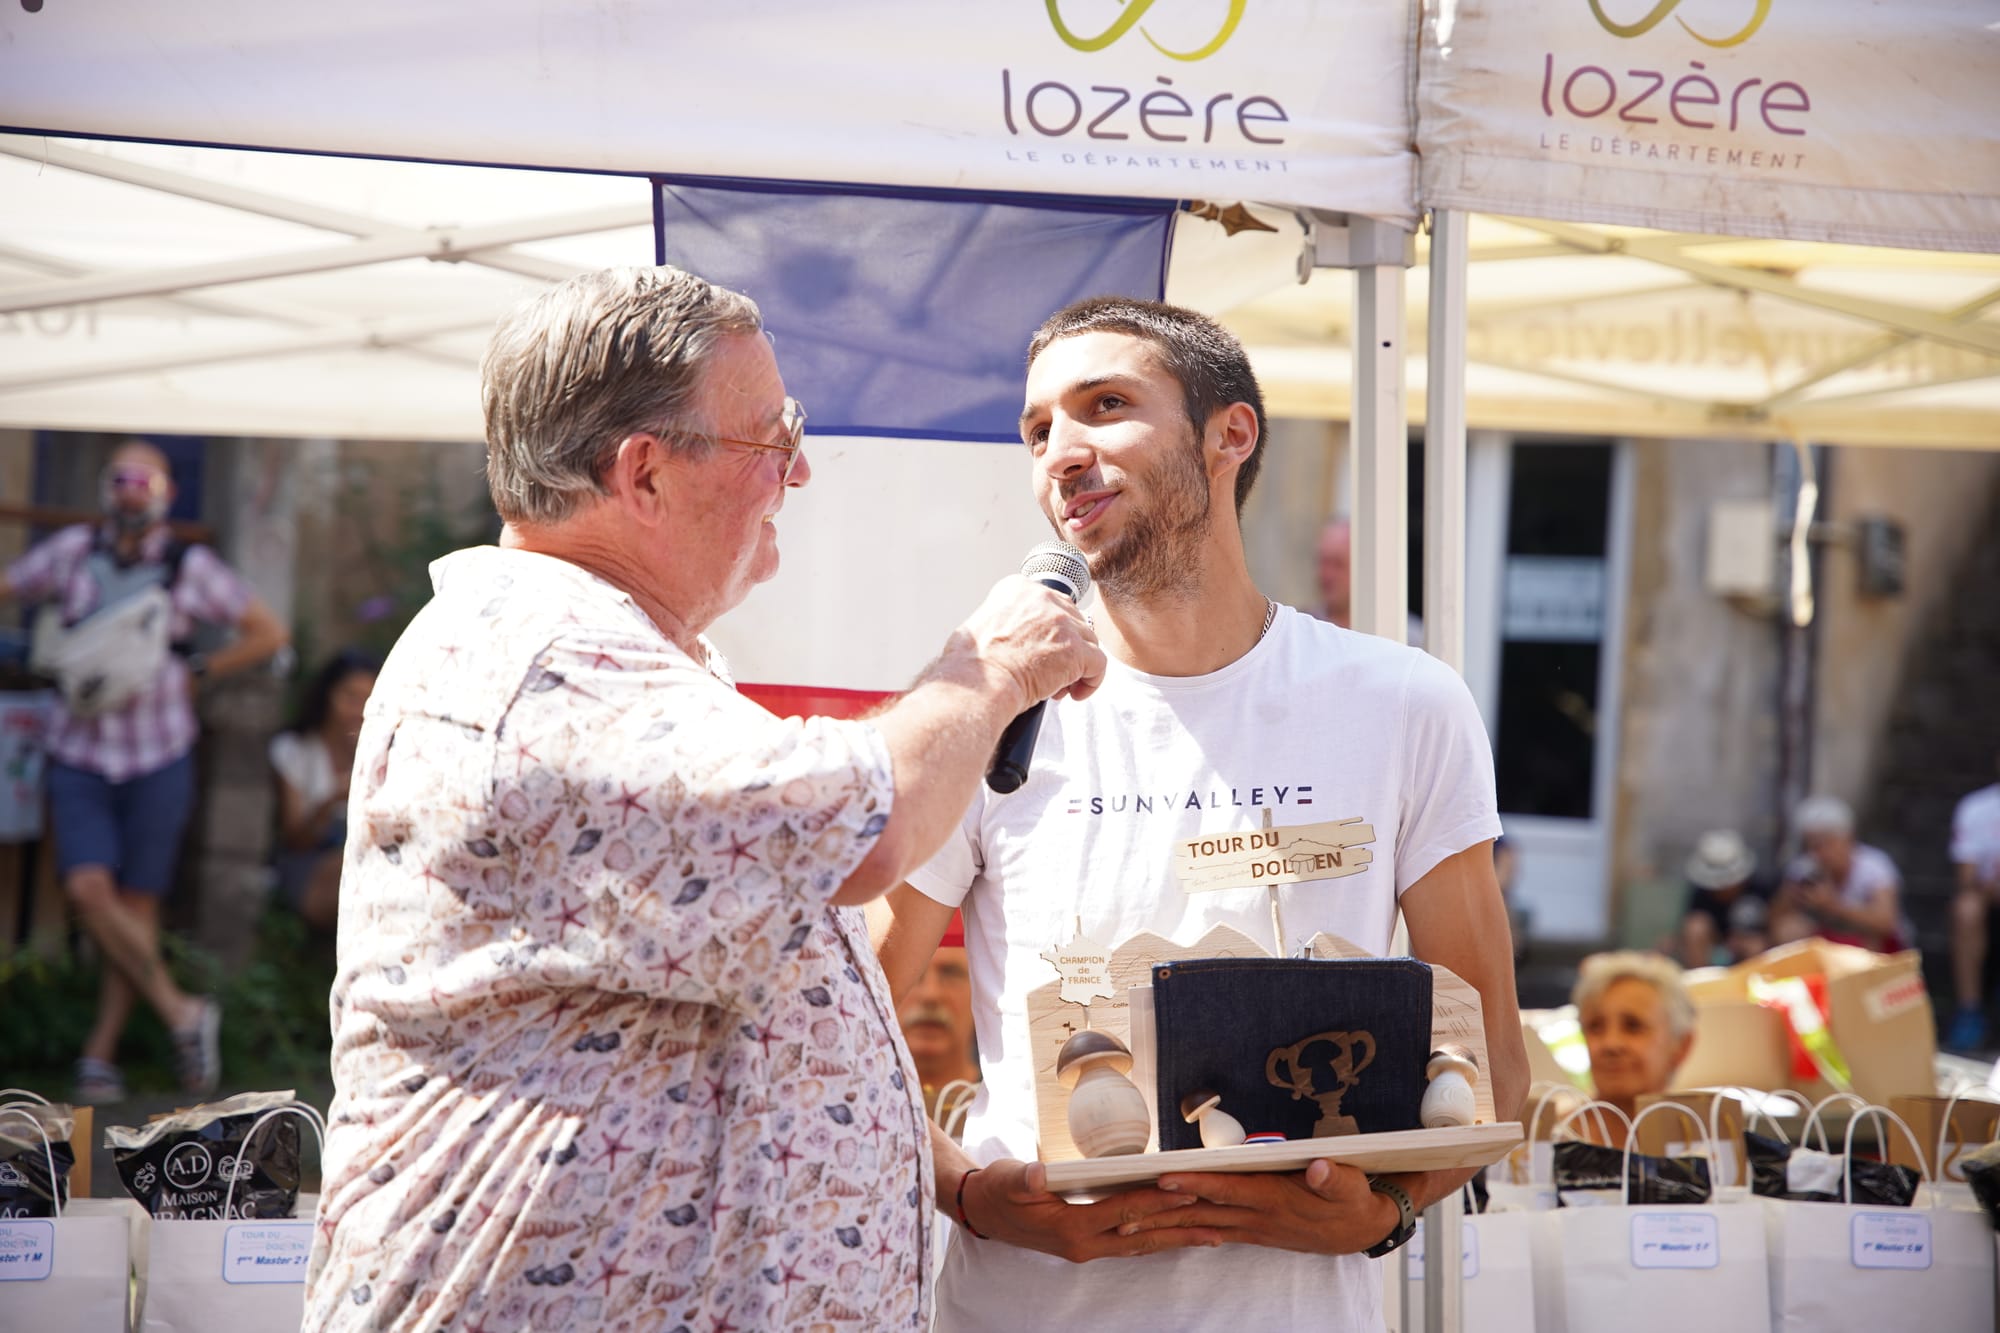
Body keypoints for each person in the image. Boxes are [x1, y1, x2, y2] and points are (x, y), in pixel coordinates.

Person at [303, 266, 1105, 1333]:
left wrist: (940, 1178)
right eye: (771, 440)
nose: (800, 469)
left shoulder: (595, 654)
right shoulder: (544, 665)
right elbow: (862, 820)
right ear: (643, 473)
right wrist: (990, 665)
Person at [872, 297, 1527, 1331]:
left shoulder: (1403, 703)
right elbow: (834, 1016)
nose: (1061, 451)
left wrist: (1383, 1211)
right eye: (1038, 429)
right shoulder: (986, 708)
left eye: (1104, 405)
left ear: (1230, 433)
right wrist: (967, 1192)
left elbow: (1491, 1059)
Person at [0, 441, 288, 1103]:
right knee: (88, 890)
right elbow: (13, 583)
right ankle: (182, 1009)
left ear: (166, 494)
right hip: (79, 749)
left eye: (144, 480)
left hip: (158, 752)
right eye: (120, 478)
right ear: (106, 488)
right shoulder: (72, 552)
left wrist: (199, 670)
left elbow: (266, 631)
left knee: (135, 905)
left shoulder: (188, 565)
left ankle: (98, 1056)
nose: (131, 490)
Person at [269, 649, 377, 932]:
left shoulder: (380, 752)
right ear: (327, 695)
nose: (358, 710)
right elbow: (296, 838)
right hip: (309, 866)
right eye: (350, 697)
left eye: (368, 699)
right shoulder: (294, 751)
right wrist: (331, 802)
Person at [1572, 950, 1695, 1131]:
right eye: (1595, 1026)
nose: (1611, 1044)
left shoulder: (1711, 1149)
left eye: (1633, 1026)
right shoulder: (1547, 1142)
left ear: (1682, 1045)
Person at [1771, 795, 1909, 953]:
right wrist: (1792, 895)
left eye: (1825, 844)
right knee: (1789, 929)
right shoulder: (1803, 868)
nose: (1818, 853)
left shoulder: (1874, 866)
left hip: (1872, 948)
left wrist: (1834, 907)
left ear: (1847, 839)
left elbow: (1886, 924)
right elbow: (1775, 920)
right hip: (1825, 943)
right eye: (1811, 845)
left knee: (1871, 940)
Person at [899, 912, 980, 1135]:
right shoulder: (856, 1101)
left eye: (950, 973)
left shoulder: (1011, 1105)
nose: (931, 995)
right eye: (914, 973)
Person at [1946, 751, 2000, 1049]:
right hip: (1987, 898)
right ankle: (1969, 1010)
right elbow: (1966, 877)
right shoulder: (1976, 808)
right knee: (1965, 909)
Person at [1314, 515, 1425, 647]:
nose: (1327, 574)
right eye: (1323, 562)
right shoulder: (1305, 629)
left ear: (1365, 568)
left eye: (1338, 564)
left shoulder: (1407, 638)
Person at [1677, 829, 1772, 968]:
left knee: (1756, 947)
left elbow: (1772, 923)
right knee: (1695, 927)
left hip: (1754, 948)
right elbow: (1692, 925)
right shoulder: (1700, 893)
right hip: (1716, 949)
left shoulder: (1761, 886)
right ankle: (1701, 985)